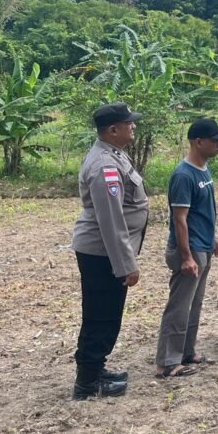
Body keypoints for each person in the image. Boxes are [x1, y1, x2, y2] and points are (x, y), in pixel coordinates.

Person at [70, 102, 149, 400]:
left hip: (105, 252)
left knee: (106, 315)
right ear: (112, 129)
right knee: (101, 316)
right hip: (102, 254)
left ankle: (95, 368)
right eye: (129, 123)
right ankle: (88, 382)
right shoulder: (105, 165)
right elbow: (111, 221)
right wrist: (125, 265)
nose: (134, 126)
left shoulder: (114, 155)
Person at [154, 117, 218, 378]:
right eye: (215, 141)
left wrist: (212, 240)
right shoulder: (184, 175)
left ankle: (187, 351)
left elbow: (202, 213)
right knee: (179, 305)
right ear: (199, 141)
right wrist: (186, 256)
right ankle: (167, 361)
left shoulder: (204, 170)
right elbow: (180, 219)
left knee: (194, 304)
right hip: (189, 249)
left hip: (203, 245)